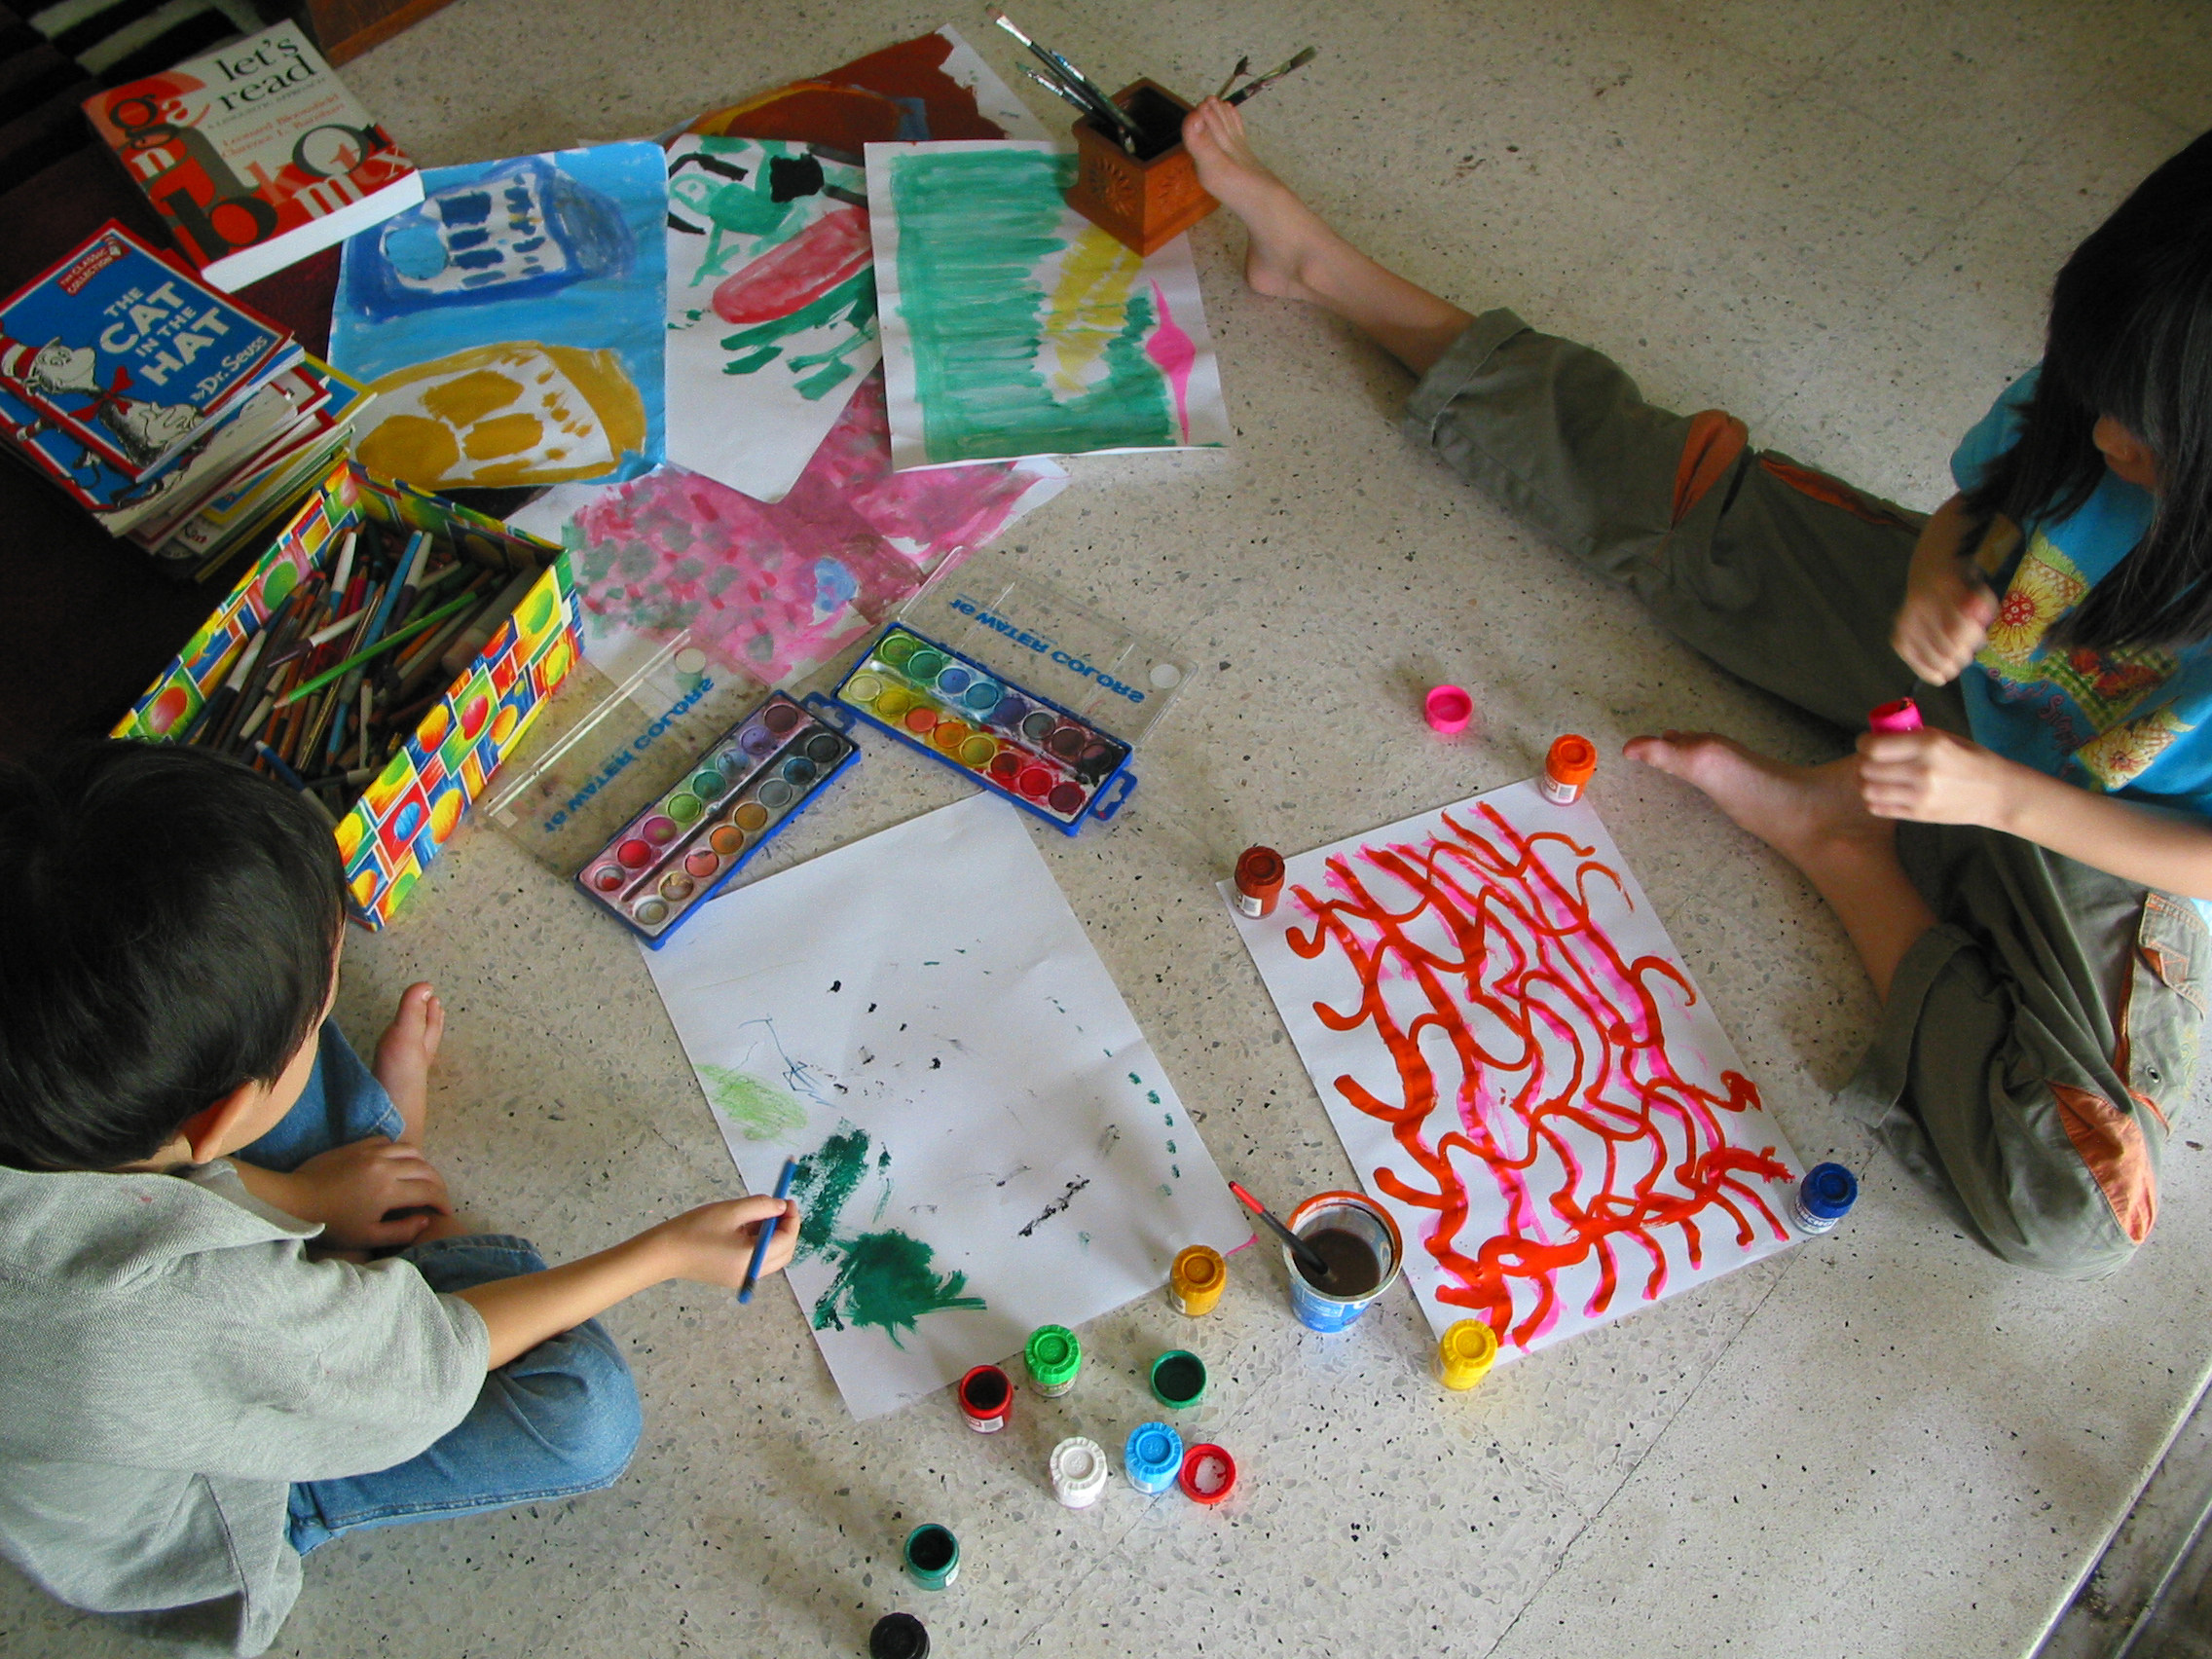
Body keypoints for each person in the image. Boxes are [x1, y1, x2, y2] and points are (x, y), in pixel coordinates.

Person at [1182, 97, 2212, 1278]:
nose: (2107, 434)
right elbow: (1974, 510)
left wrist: (2001, 800)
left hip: (2088, 830)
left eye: (2149, 443)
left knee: (2074, 1209)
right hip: (1960, 663)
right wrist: (1935, 578)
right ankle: (1328, 272)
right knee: (1690, 506)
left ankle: (1844, 848)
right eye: (2098, 397)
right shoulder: (2120, 376)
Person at [0, 741, 799, 1655]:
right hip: (215, 1496)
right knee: (584, 1410)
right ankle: (399, 1188)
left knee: (231, 993)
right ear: (218, 1118)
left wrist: (294, 1191)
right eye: (322, 1009)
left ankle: (361, 1182)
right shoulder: (166, 1317)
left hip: (136, 1264)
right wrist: (663, 1254)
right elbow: (429, 1356)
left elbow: (121, 1196)